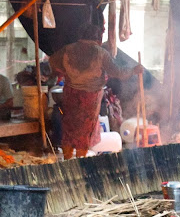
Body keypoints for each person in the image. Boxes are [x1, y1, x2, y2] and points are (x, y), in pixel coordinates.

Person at [49, 24, 143, 160]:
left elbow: (52, 61)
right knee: (85, 132)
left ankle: (67, 159)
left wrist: (65, 71)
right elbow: (117, 72)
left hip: (70, 94)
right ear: (98, 39)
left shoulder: (68, 49)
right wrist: (133, 70)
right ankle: (79, 161)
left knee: (70, 128)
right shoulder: (100, 53)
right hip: (90, 98)